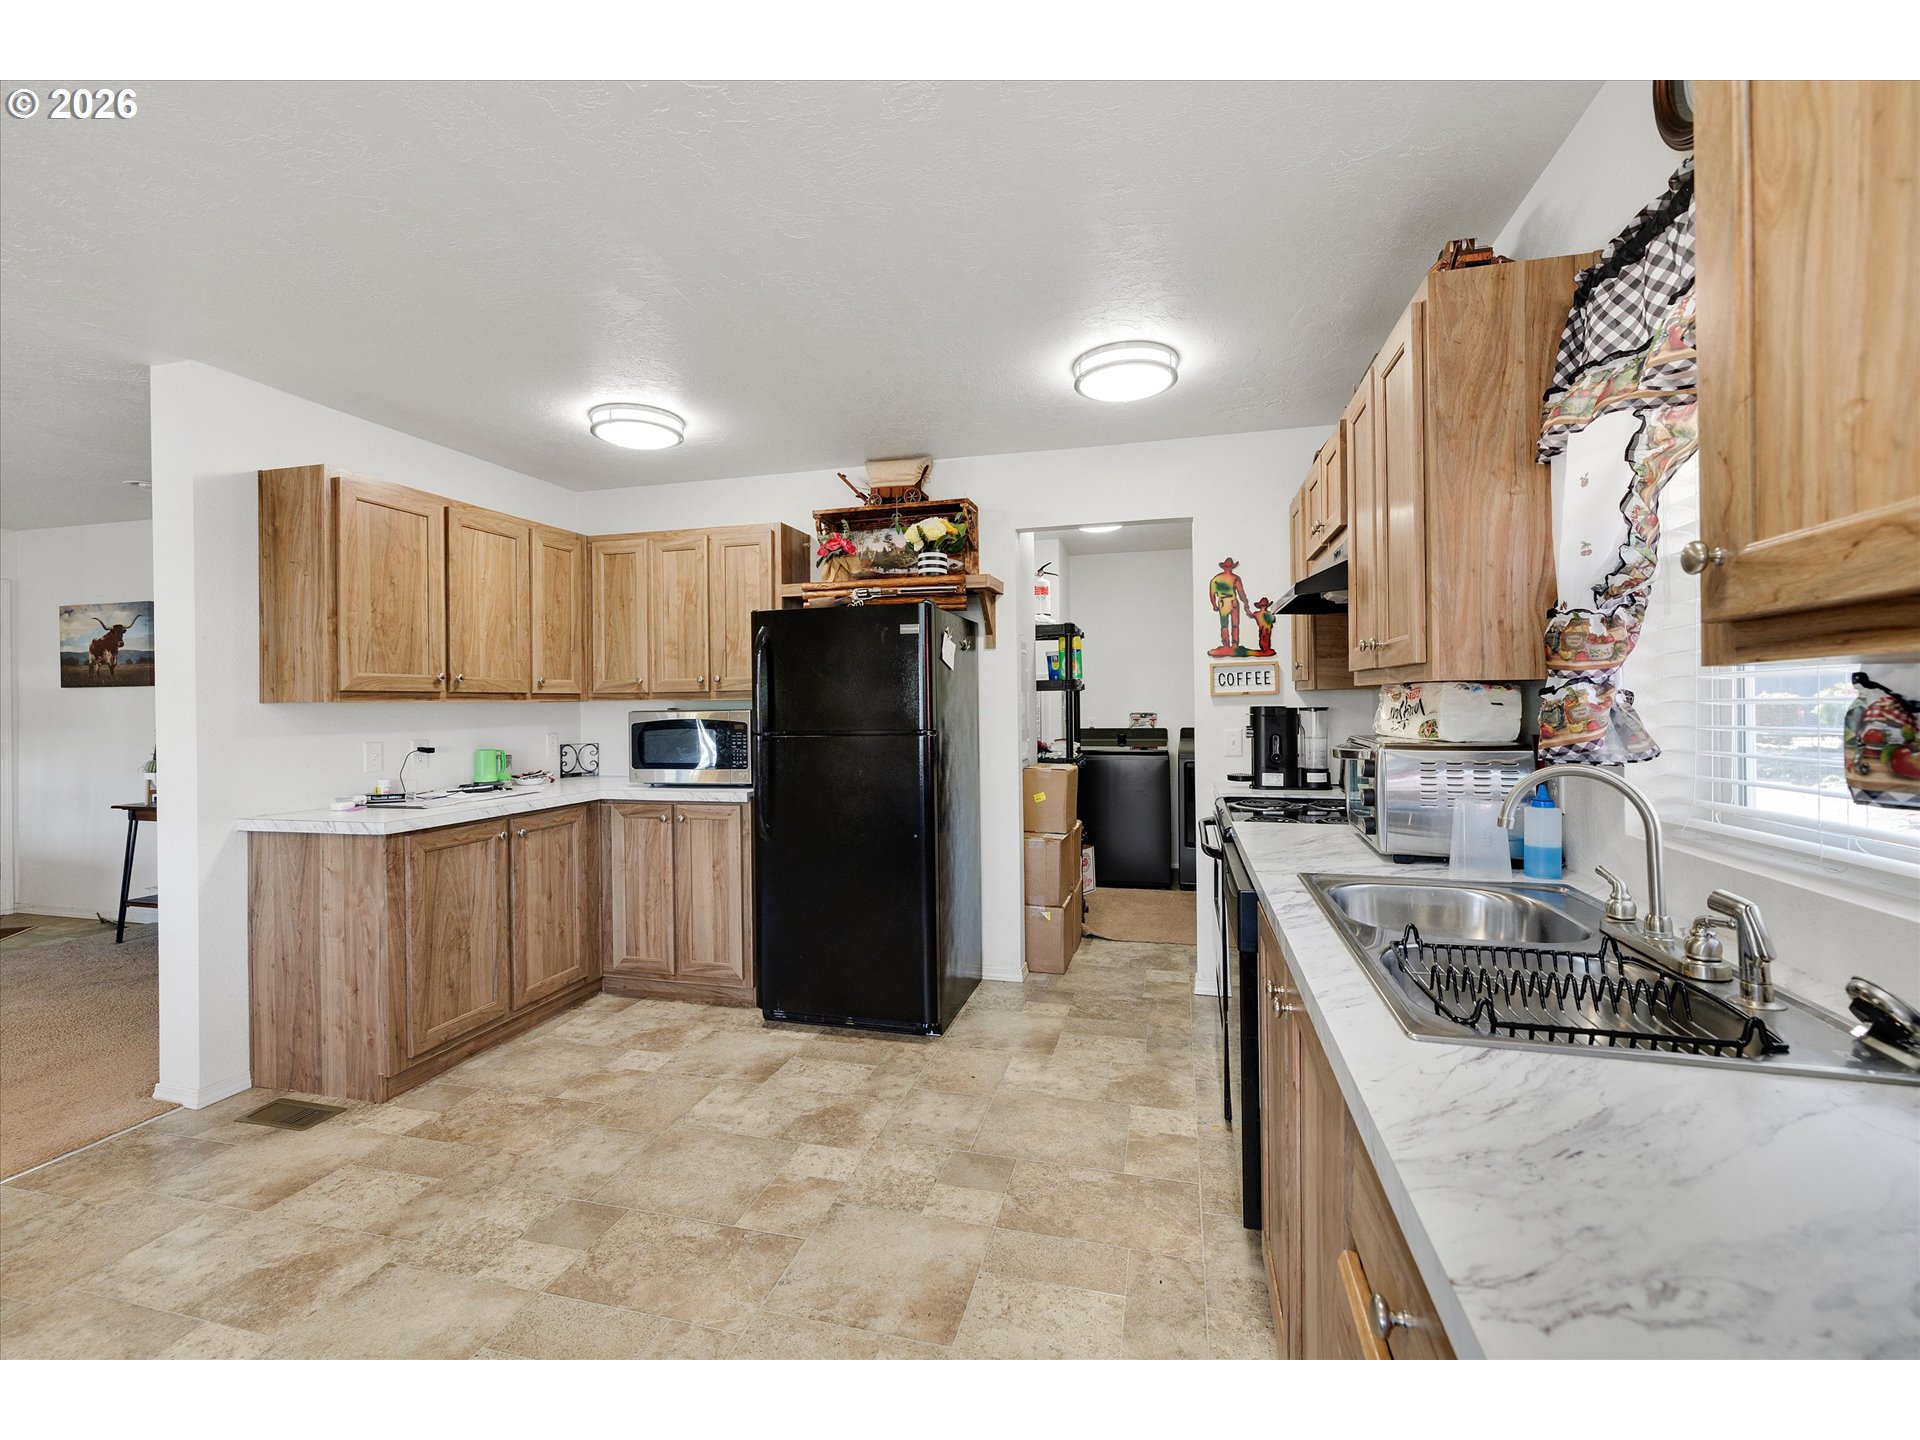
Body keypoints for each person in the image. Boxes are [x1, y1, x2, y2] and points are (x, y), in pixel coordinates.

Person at [1208, 558, 1250, 655]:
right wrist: (1245, 603)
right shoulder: (1234, 578)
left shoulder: (1216, 579)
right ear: (1231, 567)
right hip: (1232, 601)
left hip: (1223, 602)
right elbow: (1241, 592)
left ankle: (1226, 644)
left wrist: (1214, 605)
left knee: (1224, 625)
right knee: (1235, 625)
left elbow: (1212, 594)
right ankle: (1234, 644)